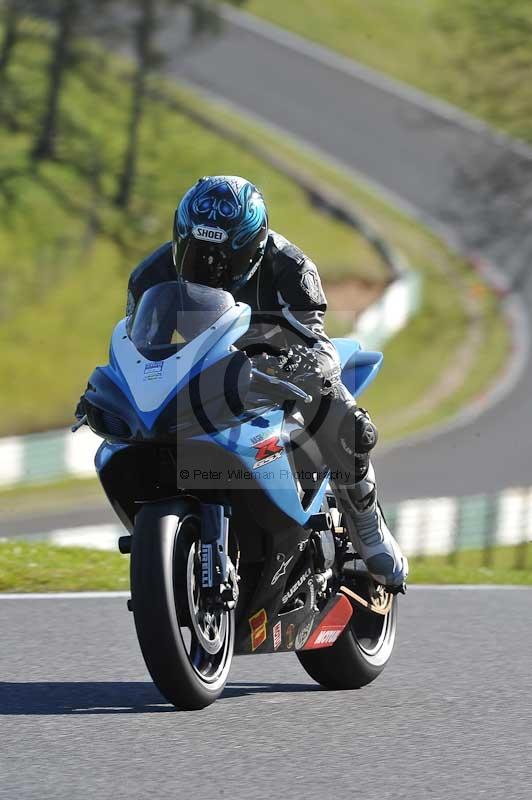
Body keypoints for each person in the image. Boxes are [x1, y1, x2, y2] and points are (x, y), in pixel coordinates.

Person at [126, 175, 408, 591]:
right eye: (196, 252)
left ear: (252, 248)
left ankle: (367, 527)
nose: (207, 268)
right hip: (199, 373)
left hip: (273, 369)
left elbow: (316, 337)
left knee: (346, 418)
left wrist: (307, 366)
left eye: (221, 257)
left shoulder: (291, 266)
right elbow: (138, 345)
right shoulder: (151, 275)